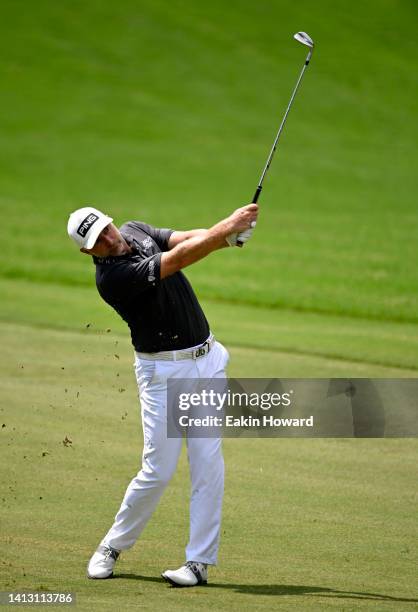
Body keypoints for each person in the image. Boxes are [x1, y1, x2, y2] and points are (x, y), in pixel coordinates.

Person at [67, 203, 258, 587]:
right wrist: (226, 228)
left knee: (208, 462)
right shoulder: (112, 278)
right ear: (89, 252)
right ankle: (112, 545)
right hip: (163, 373)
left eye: (105, 228)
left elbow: (183, 238)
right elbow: (176, 259)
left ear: (109, 219)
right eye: (97, 241)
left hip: (207, 361)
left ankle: (198, 563)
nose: (108, 238)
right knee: (158, 471)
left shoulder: (135, 229)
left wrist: (226, 239)